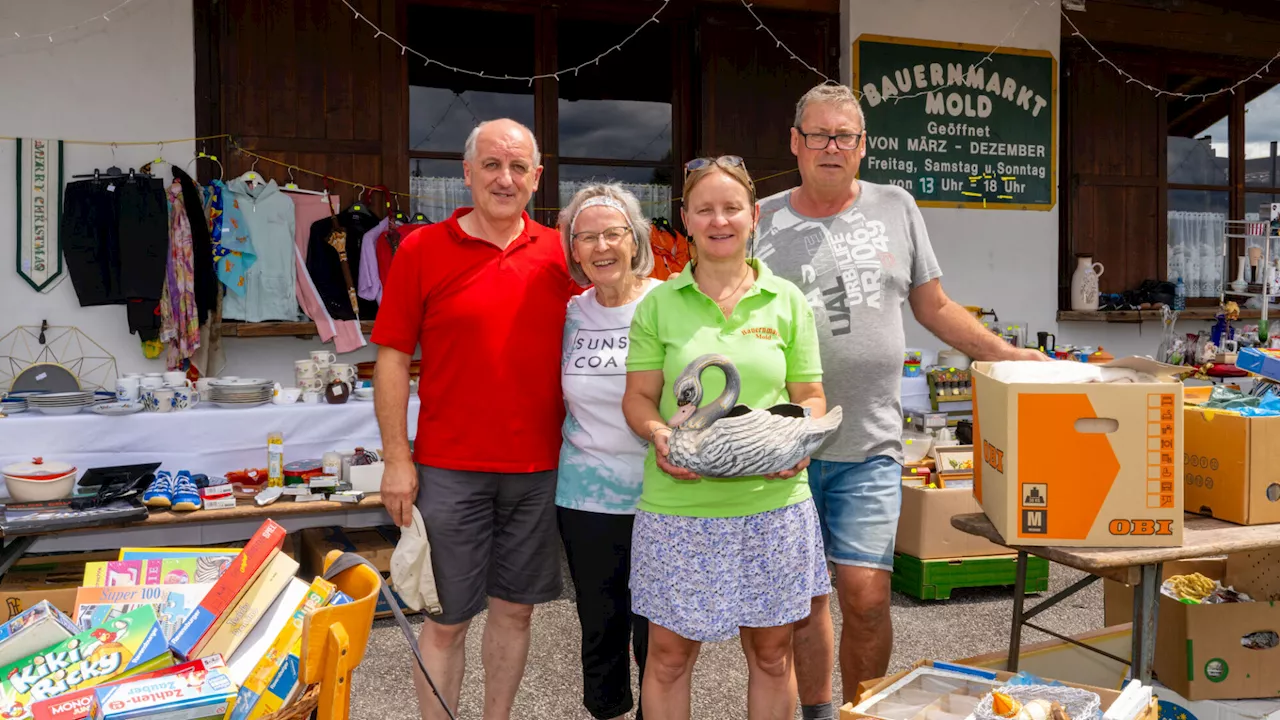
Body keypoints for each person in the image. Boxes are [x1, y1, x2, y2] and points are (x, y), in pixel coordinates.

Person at [753, 83, 1049, 719]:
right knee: (799, 605)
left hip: (870, 444)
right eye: (818, 135)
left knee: (865, 597)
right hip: (785, 450)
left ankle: (860, 710)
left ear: (863, 147)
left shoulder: (897, 207)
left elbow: (934, 306)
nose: (831, 147)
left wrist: (1006, 354)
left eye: (845, 136)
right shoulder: (761, 219)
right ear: (795, 143)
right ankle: (818, 711)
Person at [371, 118, 575, 720]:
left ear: (537, 179)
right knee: (446, 619)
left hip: (538, 469)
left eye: (518, 168)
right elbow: (391, 361)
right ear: (467, 173)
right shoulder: (421, 250)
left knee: (516, 611)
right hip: (448, 469)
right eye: (491, 165)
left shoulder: (562, 255)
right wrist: (397, 459)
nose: (504, 178)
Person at [621, 156, 833, 720]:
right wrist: (660, 434)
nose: (720, 221)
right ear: (684, 218)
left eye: (732, 208)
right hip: (678, 507)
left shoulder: (787, 300)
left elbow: (811, 397)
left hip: (773, 506)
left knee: (771, 655)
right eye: (705, 209)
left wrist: (798, 444)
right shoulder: (659, 304)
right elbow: (639, 399)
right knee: (666, 658)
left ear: (754, 215)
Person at [555, 184, 661, 720]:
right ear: (574, 250)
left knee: (657, 631)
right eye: (587, 236)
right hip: (584, 494)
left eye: (612, 234)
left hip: (659, 493)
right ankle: (606, 711)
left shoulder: (665, 302)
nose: (601, 247)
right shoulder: (570, 313)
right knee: (599, 623)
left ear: (634, 239)